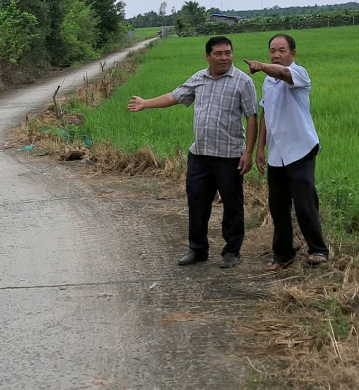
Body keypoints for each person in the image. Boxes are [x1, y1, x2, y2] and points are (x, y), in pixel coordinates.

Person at [127, 36, 258, 268]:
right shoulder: (199, 78)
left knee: (232, 204)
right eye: (218, 53)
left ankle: (231, 251)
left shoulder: (243, 81)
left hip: (229, 156)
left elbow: (251, 116)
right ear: (208, 56)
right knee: (197, 203)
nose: (224, 57)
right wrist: (146, 103)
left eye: (228, 52)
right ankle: (197, 249)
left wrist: (248, 152)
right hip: (200, 155)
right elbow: (174, 96)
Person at [245, 34, 329, 272]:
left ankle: (318, 250)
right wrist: (260, 148)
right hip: (277, 152)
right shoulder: (268, 83)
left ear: (293, 53)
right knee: (278, 205)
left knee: (304, 203)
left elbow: (282, 73)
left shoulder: (298, 73)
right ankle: (283, 254)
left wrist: (262, 66)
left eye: (282, 50)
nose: (276, 55)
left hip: (300, 148)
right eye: (272, 51)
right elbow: (265, 115)